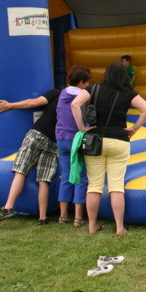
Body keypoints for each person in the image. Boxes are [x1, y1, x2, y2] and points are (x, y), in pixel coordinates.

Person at [71, 61, 146, 235]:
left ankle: (92, 225)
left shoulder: (93, 89)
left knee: (94, 186)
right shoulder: (128, 92)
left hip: (95, 141)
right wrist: (134, 128)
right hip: (119, 141)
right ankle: (119, 227)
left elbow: (74, 104)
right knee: (116, 186)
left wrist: (82, 128)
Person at [0, 88, 61, 224]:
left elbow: (33, 103)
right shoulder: (78, 101)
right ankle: (42, 217)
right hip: (53, 142)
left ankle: (8, 207)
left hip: (37, 135)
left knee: (21, 170)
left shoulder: (57, 93)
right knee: (44, 179)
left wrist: (10, 105)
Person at [55, 65, 91, 227]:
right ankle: (78, 217)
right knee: (81, 177)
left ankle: (63, 216)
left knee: (66, 176)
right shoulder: (83, 96)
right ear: (83, 82)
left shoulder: (63, 93)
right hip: (76, 138)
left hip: (61, 139)